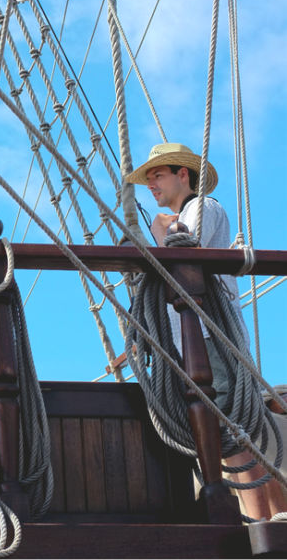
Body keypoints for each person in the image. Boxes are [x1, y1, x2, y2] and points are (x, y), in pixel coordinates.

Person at [126, 142, 285, 520]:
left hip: (209, 334)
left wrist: (157, 225)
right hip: (194, 336)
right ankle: (272, 518)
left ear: (184, 175)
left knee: (228, 428)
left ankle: (260, 522)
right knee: (228, 429)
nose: (152, 184)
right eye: (149, 179)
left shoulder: (201, 207)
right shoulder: (189, 210)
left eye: (158, 176)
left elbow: (181, 247)